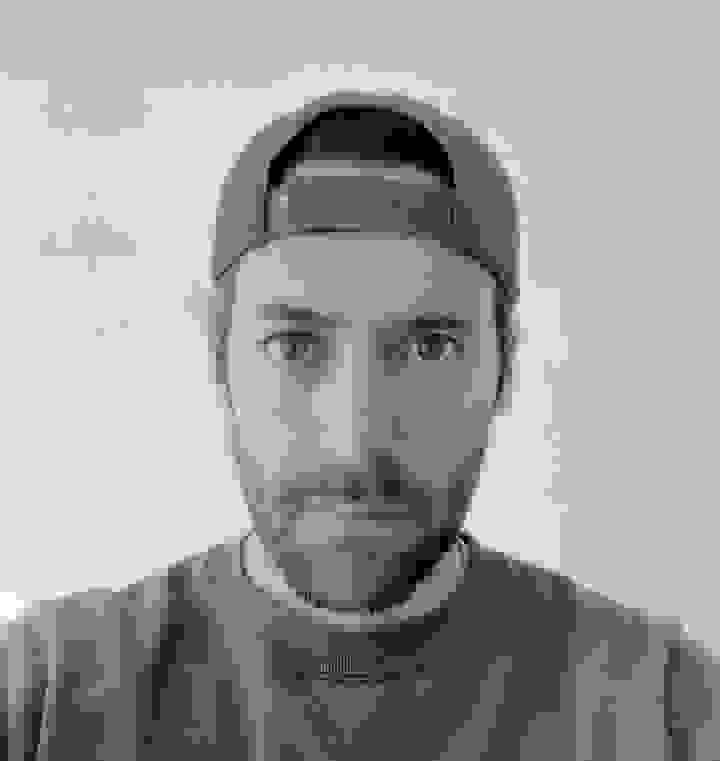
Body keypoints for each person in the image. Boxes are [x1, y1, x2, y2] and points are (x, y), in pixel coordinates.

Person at [2, 89, 718, 760]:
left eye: (430, 346)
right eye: (294, 345)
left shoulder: (664, 711)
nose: (355, 439)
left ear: (506, 367)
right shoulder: (45, 697)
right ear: (217, 353)